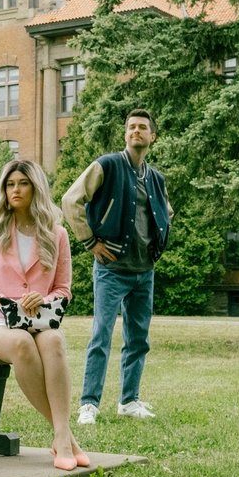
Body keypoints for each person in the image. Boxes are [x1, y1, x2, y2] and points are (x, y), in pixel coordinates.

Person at [0, 160, 87, 470]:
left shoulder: (56, 234)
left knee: (54, 341)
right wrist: (9, 303)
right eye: (10, 184)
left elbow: (63, 289)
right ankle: (65, 438)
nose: (15, 189)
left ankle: (61, 437)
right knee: (21, 343)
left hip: (38, 318)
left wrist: (41, 300)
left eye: (22, 183)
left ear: (36, 188)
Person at [61, 109, 171, 424]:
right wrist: (90, 241)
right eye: (131, 127)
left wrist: (158, 243)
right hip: (111, 270)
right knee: (101, 334)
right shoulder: (107, 166)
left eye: (142, 127)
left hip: (144, 271)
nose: (136, 131)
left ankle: (129, 401)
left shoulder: (155, 178)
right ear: (125, 134)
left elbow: (165, 213)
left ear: (153, 136)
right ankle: (89, 404)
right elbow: (71, 201)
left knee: (138, 338)